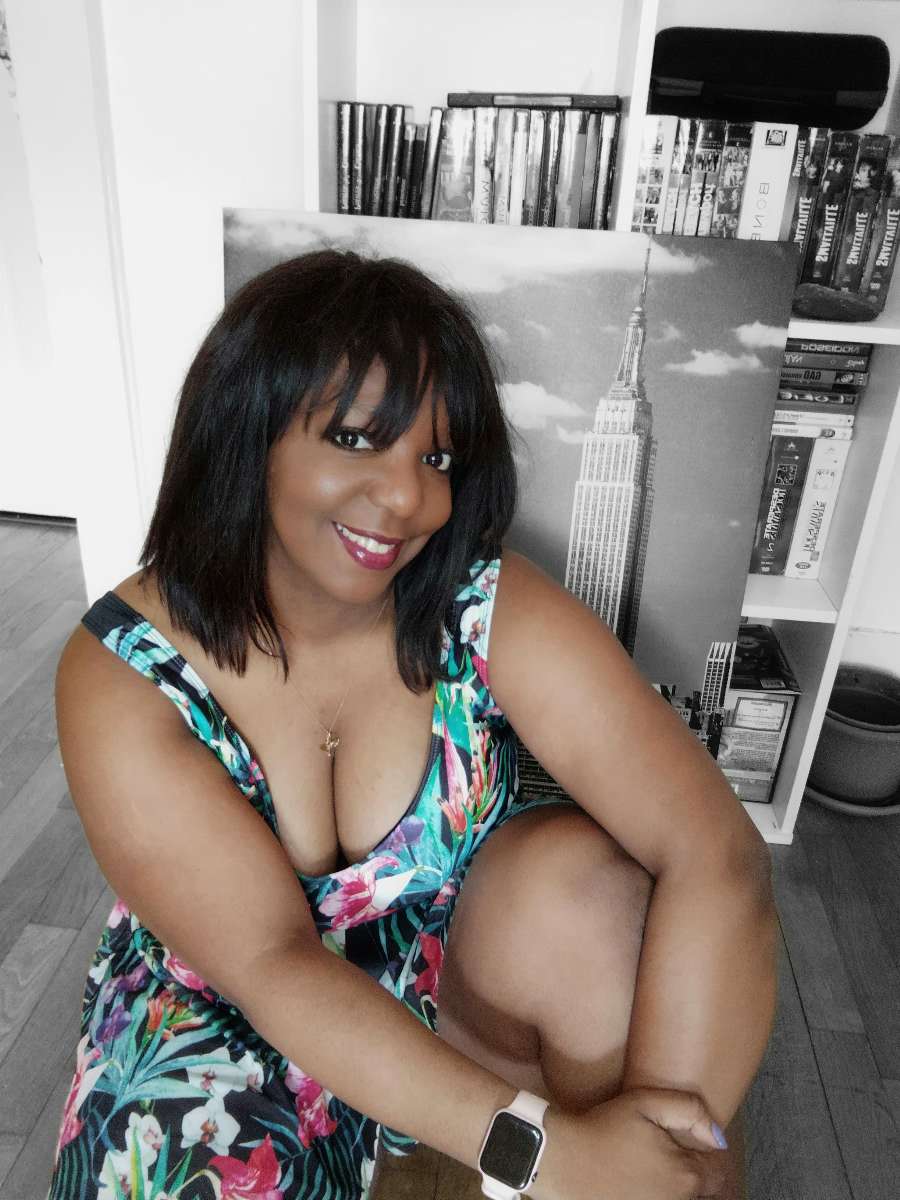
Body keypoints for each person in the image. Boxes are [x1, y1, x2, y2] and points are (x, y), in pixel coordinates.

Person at [47, 250, 777, 1200]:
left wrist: (660, 1160)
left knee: (596, 902)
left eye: (436, 458)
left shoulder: (480, 603)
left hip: (451, 986)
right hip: (224, 1009)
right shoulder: (124, 672)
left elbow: (712, 849)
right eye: (356, 439)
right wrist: (548, 1157)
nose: (406, 499)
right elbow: (274, 964)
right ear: (247, 433)